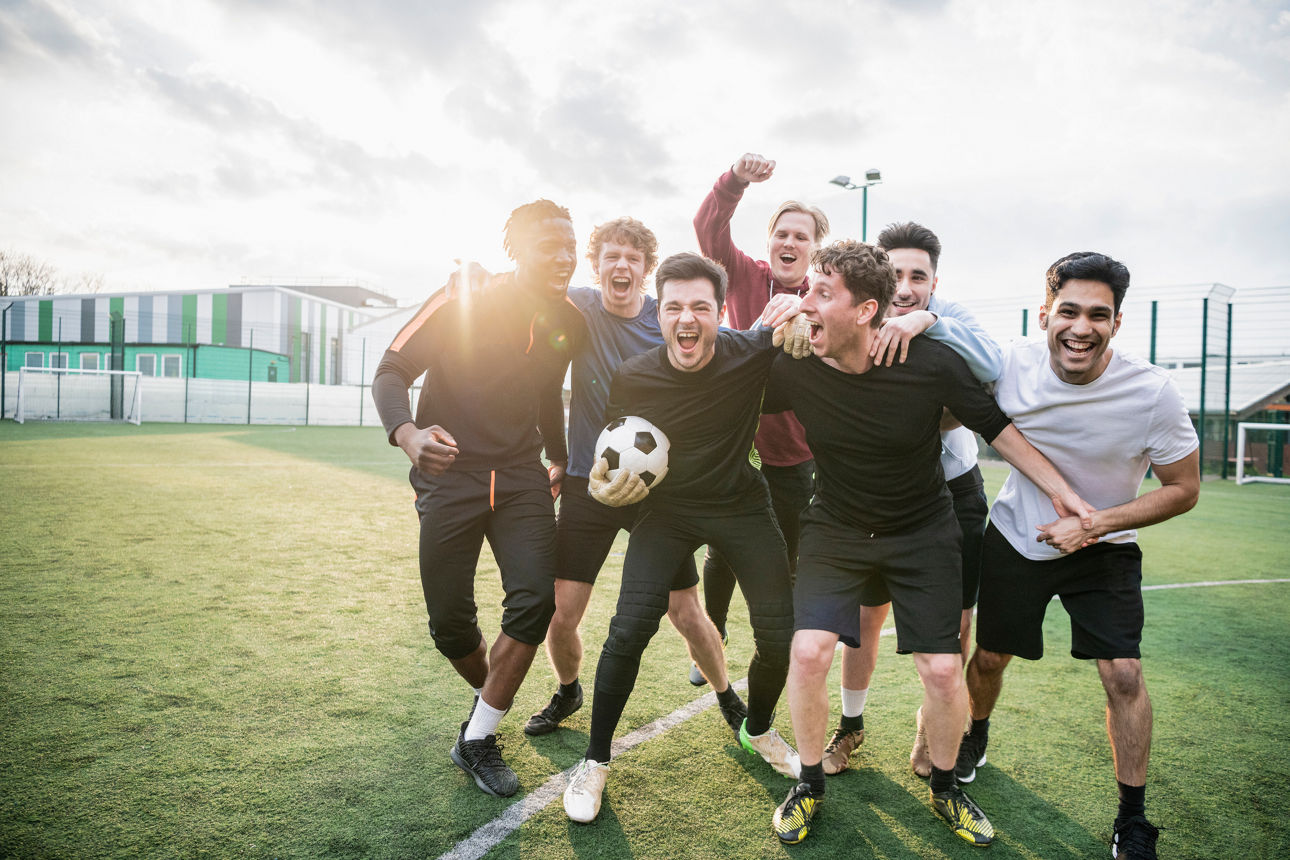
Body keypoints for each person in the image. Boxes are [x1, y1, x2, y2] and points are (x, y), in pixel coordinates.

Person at [761, 240, 1091, 846]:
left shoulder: (930, 363)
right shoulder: (795, 364)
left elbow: (999, 430)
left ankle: (946, 788)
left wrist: (1064, 493)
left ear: (866, 311)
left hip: (922, 531)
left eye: (822, 293)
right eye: (807, 291)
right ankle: (809, 784)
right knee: (807, 652)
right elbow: (719, 388)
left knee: (942, 668)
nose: (805, 303)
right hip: (835, 529)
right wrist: (765, 331)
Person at [962, 252, 1200, 860]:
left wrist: (1093, 524)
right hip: (1017, 536)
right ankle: (975, 733)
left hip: (1106, 547)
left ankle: (1133, 819)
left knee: (1124, 673)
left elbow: (1183, 489)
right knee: (989, 658)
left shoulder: (1153, 392)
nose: (1081, 327)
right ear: (1045, 313)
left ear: (1117, 323)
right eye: (1068, 311)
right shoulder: (1008, 365)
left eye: (1099, 315)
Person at [562, 252, 807, 824]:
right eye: (674, 307)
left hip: (742, 506)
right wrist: (605, 486)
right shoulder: (635, 374)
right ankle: (594, 761)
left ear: (721, 312)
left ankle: (758, 730)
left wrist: (797, 310)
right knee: (628, 630)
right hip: (666, 513)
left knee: (780, 636)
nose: (687, 318)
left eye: (701, 306)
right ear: (660, 313)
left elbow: (799, 318)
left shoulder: (752, 352)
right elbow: (617, 449)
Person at [371, 200, 586, 798]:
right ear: (515, 250)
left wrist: (559, 455)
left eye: (571, 247)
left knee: (533, 602)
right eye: (550, 247)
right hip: (451, 474)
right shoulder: (464, 298)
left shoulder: (569, 320)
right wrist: (408, 434)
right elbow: (391, 370)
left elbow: (547, 390)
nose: (564, 257)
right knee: (449, 624)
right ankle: (489, 697)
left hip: (521, 476)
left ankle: (479, 737)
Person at [523, 217, 740, 738]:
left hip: (651, 491)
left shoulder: (666, 318)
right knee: (560, 613)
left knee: (685, 612)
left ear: (645, 269)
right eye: (612, 257)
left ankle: (728, 696)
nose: (622, 266)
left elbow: (726, 342)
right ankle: (568, 690)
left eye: (633, 259)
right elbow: (525, 289)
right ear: (596, 265)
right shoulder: (577, 306)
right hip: (587, 484)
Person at [822, 221, 1002, 777]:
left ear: (933, 282)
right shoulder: (857, 316)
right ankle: (850, 726)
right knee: (864, 618)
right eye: (895, 274)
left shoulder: (950, 316)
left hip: (953, 489)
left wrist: (930, 322)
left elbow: (992, 365)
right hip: (876, 498)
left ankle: (934, 727)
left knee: (956, 625)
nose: (905, 287)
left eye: (917, 277)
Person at [688, 153, 824, 683]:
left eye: (801, 236)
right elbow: (708, 229)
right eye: (782, 234)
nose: (790, 243)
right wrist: (735, 181)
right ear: (769, 242)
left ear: (815, 248)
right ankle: (711, 637)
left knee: (785, 555)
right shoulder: (745, 275)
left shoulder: (824, 296)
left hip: (794, 454)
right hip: (735, 443)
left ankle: (778, 650)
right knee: (722, 549)